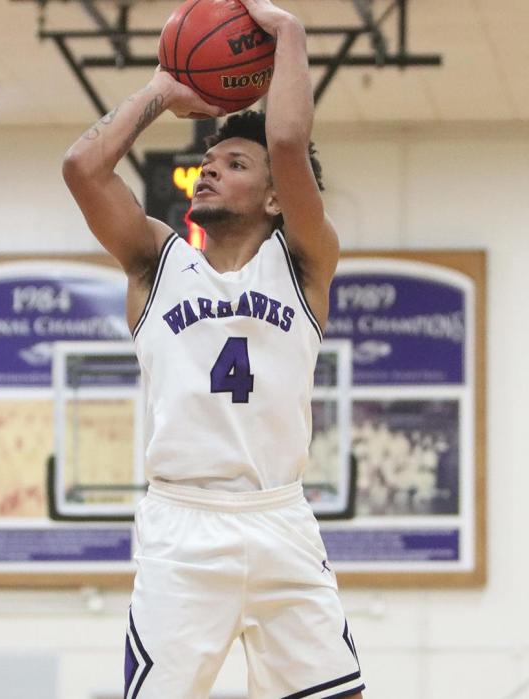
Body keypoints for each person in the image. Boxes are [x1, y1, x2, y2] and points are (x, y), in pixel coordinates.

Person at [62, 0, 363, 696]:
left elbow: (287, 145)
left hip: (279, 515)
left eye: (233, 162)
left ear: (275, 199)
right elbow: (82, 168)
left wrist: (289, 32)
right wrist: (164, 90)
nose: (209, 169)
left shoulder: (304, 262)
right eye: (208, 159)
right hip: (183, 524)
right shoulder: (154, 261)